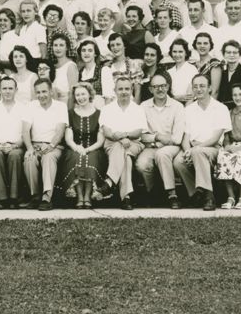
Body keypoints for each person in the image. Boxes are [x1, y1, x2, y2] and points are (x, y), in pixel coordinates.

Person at [173, 73, 232, 211]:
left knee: (198, 152)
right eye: (195, 87)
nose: (198, 89)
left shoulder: (220, 108)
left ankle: (208, 195)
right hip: (193, 147)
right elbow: (185, 136)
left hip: (213, 148)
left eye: (202, 86)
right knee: (178, 161)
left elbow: (216, 138)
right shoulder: (188, 110)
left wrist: (196, 148)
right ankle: (195, 194)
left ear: (210, 88)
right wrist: (188, 149)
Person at [136, 72, 185, 208]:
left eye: (163, 86)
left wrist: (157, 140)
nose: (160, 89)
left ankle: (172, 194)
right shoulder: (143, 107)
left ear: (168, 87)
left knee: (162, 154)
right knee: (142, 164)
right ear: (150, 89)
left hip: (172, 147)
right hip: (151, 146)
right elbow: (140, 135)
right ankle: (153, 192)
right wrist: (157, 137)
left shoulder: (178, 106)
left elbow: (177, 137)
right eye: (156, 86)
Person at [99, 75, 148, 210]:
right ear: (114, 90)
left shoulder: (138, 109)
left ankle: (109, 182)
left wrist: (125, 135)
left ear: (132, 89)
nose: (124, 91)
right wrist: (120, 139)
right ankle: (126, 197)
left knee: (125, 150)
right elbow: (107, 132)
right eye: (120, 89)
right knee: (125, 155)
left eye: (127, 88)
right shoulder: (107, 109)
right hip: (112, 143)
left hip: (134, 144)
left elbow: (138, 132)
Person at [0, 77, 27, 209]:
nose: (7, 91)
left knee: (15, 155)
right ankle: (2, 198)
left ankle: (13, 197)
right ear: (0, 90)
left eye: (10, 88)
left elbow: (26, 134)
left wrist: (14, 146)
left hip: (17, 146)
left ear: (16, 90)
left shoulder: (24, 108)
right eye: (4, 88)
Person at [22, 79, 68, 210]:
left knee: (48, 158)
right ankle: (35, 196)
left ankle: (46, 198)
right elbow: (25, 130)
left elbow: (60, 130)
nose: (41, 95)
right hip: (35, 145)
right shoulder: (30, 106)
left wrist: (51, 146)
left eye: (44, 91)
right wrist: (30, 148)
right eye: (38, 92)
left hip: (54, 146)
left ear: (51, 91)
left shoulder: (60, 106)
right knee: (29, 159)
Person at [62, 81, 106, 209]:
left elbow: (100, 141)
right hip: (74, 148)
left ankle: (88, 196)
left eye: (83, 94)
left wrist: (87, 149)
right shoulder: (70, 113)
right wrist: (77, 148)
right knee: (77, 158)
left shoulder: (99, 113)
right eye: (77, 95)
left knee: (89, 158)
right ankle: (79, 196)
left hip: (94, 148)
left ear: (90, 94)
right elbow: (68, 138)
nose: (80, 97)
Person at [165, 38, 198, 104]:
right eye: (174, 51)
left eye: (180, 51)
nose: (177, 55)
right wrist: (176, 98)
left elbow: (190, 97)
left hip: (188, 105)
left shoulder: (192, 69)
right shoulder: (169, 72)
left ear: (186, 53)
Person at [192, 32, 223, 98]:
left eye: (205, 43)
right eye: (199, 43)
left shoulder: (214, 63)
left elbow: (215, 91)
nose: (202, 46)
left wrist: (209, 107)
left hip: (209, 102)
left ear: (210, 45)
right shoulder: (194, 64)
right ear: (195, 45)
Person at [76, 39, 106, 107]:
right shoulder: (79, 73)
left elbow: (108, 98)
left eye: (90, 50)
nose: (86, 53)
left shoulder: (103, 70)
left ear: (95, 54)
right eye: (83, 50)